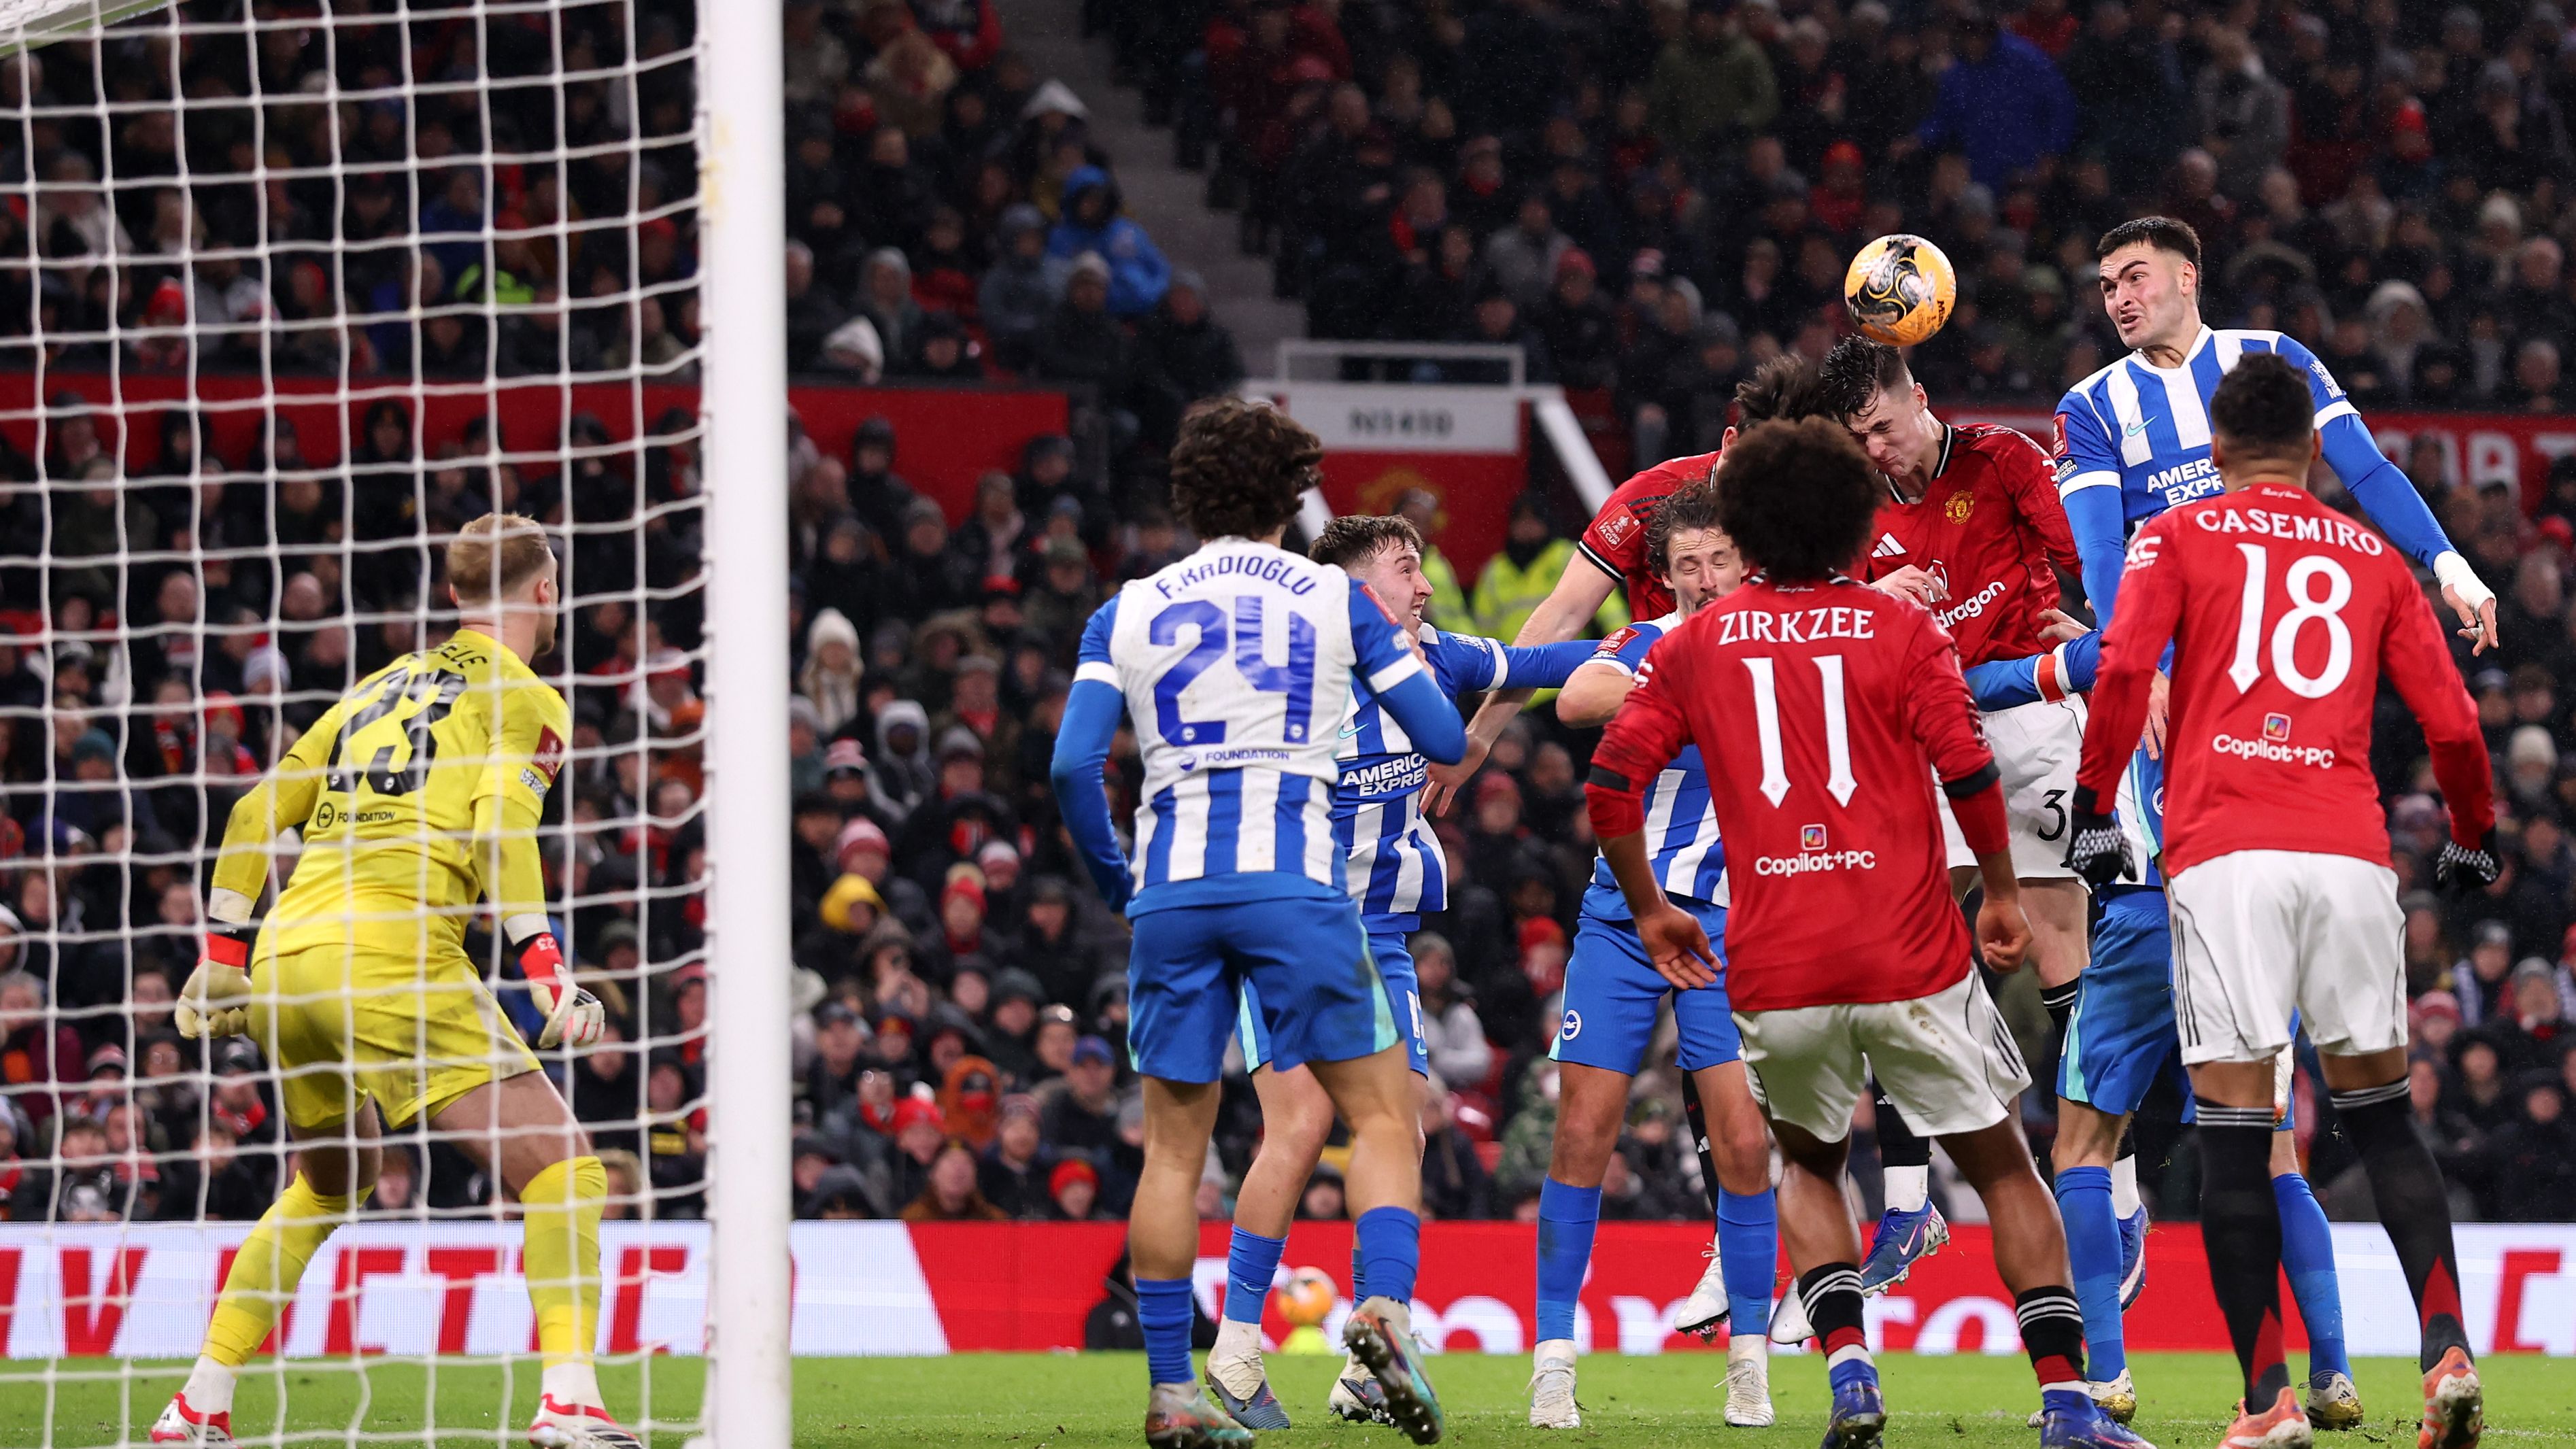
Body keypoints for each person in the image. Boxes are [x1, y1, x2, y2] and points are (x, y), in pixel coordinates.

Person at [1586, 418, 2148, 1449]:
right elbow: (1969, 766)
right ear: (1856, 526)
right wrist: (2006, 899)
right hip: (1904, 950)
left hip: (1775, 961)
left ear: (1748, 533)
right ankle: (2069, 1401)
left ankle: (1849, 1373)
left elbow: (1613, 778)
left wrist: (1651, 905)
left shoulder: (1699, 640)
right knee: (2003, 1170)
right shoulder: (1901, 631)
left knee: (1806, 1163)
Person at [2052, 216, 2505, 1427]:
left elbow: (2123, 581)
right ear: (2298, 442)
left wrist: (2104, 784)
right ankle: (2446, 1355)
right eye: (2103, 285)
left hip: (2216, 841)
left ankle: (2266, 1399)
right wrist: (2472, 841)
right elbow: (2456, 727)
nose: (2115, 297)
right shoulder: (2351, 550)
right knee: (2378, 1114)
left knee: (2235, 1131)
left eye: (2133, 276)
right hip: (2352, 848)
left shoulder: (2186, 523)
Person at [156, 514, 628, 1449]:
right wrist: (541, 963)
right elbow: (502, 830)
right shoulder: (526, 696)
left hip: (284, 963)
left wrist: (220, 951)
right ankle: (569, 1402)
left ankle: (198, 1403)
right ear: (545, 591)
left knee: (330, 1185)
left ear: (454, 596)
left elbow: (258, 807)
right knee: (566, 1171)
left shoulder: (373, 688)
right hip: (393, 954)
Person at [1049, 398, 1465, 1449]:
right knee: (1379, 1115)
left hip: (1175, 891)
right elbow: (1442, 732)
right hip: (1297, 886)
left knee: (1175, 1156)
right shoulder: (1336, 599)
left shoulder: (1129, 608)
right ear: (1291, 496)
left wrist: (1116, 880)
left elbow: (1069, 766)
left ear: (1187, 494)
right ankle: (1380, 1312)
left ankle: (1171, 1393)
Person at [1204, 513, 1591, 1431]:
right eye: (1404, 569)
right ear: (1345, 587)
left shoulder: (1441, 658)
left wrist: (1689, 633)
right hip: (1290, 928)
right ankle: (1234, 1347)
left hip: (1379, 935)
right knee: (1296, 1129)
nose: (1424, 586)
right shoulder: (1290, 667)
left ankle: (1374, 1350)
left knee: (1406, 1128)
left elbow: (1549, 665)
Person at [1818, 335, 2112, 1324]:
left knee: (2059, 941)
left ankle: (2106, 1186)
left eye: (1886, 428)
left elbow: (2083, 559)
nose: (1877, 451)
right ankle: (1909, 1201)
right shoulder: (1855, 506)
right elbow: (1819, 612)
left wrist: (2100, 635)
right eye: (1859, 437)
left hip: (2030, 724)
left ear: (1923, 402)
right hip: (1923, 732)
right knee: (1911, 957)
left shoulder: (2007, 461)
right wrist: (1867, 595)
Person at [1527, 477, 1778, 1429]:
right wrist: (1671, 677)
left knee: (1746, 1143)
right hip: (1625, 921)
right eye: (1687, 567)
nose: (1707, 578)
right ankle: (1554, 1361)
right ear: (1663, 579)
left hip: (1733, 925)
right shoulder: (1648, 642)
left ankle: (1748, 1362)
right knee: (1581, 1135)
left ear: (1746, 561)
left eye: (1720, 560)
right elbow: (1576, 697)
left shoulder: (1780, 641)